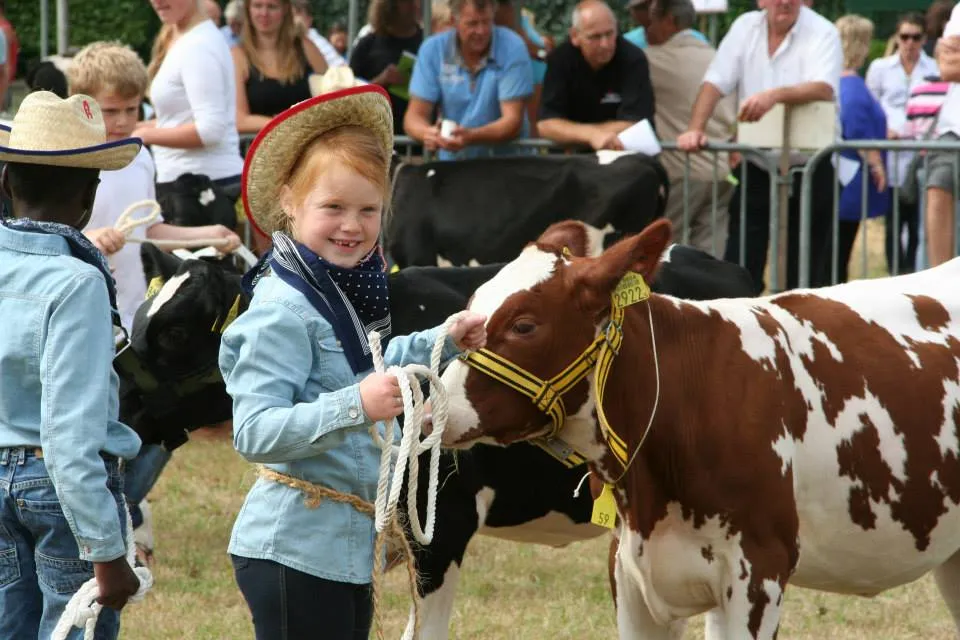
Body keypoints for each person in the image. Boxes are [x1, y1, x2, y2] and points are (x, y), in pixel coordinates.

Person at [220, 84, 487, 639]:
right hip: (293, 550)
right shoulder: (282, 308)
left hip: (338, 550)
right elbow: (253, 431)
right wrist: (357, 405)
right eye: (333, 207)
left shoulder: (335, 291)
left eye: (369, 209)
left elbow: (367, 364)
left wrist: (445, 339)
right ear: (289, 203)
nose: (352, 225)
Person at [0, 90, 142, 640]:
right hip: (57, 488)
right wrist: (106, 552)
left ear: (6, 182)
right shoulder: (79, 283)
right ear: (90, 195)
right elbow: (69, 433)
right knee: (72, 625)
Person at [678, 0, 842, 292]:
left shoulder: (823, 31)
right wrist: (695, 129)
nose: (784, 2)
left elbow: (824, 87)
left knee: (805, 274)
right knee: (740, 265)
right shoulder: (745, 28)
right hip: (757, 166)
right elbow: (714, 82)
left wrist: (775, 96)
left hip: (810, 169)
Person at [645, 0, 735, 257]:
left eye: (652, 21)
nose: (647, 29)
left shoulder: (652, 60)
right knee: (709, 256)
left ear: (670, 21)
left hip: (681, 171)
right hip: (720, 171)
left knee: (668, 255)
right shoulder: (718, 57)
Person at [136, 0, 244, 211]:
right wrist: (134, 129)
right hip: (191, 185)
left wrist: (142, 136)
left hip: (201, 190)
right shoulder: (189, 37)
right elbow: (177, 120)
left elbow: (210, 130)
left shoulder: (199, 45)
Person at [404, 0, 534, 160]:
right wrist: (427, 134)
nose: (481, 31)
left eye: (487, 22)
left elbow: (513, 122)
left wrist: (470, 136)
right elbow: (414, 116)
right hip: (455, 166)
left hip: (507, 166)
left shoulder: (513, 46)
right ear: (453, 21)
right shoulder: (432, 50)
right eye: (472, 24)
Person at [865, 12, 938, 275]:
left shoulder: (935, 69)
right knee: (893, 222)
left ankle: (914, 272)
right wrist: (883, 130)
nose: (909, 43)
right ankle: (895, 272)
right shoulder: (880, 68)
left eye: (915, 38)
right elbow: (870, 106)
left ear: (924, 39)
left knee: (919, 220)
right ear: (897, 38)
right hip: (891, 155)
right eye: (904, 37)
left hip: (921, 153)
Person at [537, 0, 655, 151]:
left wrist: (573, 132)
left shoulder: (633, 59)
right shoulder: (560, 60)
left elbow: (636, 124)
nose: (605, 44)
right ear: (575, 36)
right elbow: (546, 125)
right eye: (595, 37)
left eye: (610, 33)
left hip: (621, 159)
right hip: (569, 161)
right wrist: (591, 135)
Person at [835, 15, 889, 283]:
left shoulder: (842, 83)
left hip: (846, 176)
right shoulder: (852, 87)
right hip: (851, 179)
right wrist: (876, 163)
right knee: (839, 251)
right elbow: (856, 128)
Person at [232, 0, 329, 135]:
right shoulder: (237, 56)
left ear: (285, 9)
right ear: (248, 9)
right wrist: (286, 123)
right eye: (257, 6)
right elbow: (240, 120)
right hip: (260, 149)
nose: (264, 13)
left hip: (307, 145)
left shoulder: (306, 47)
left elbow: (331, 97)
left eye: (272, 7)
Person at [349, 0, 424, 135]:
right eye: (408, 2)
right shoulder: (368, 44)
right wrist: (381, 81)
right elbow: (349, 94)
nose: (415, 4)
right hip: (376, 137)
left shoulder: (427, 43)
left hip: (418, 140)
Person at [291, 0, 349, 69]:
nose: (293, 21)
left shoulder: (314, 39)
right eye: (290, 16)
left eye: (297, 15)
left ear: (309, 20)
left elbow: (341, 67)